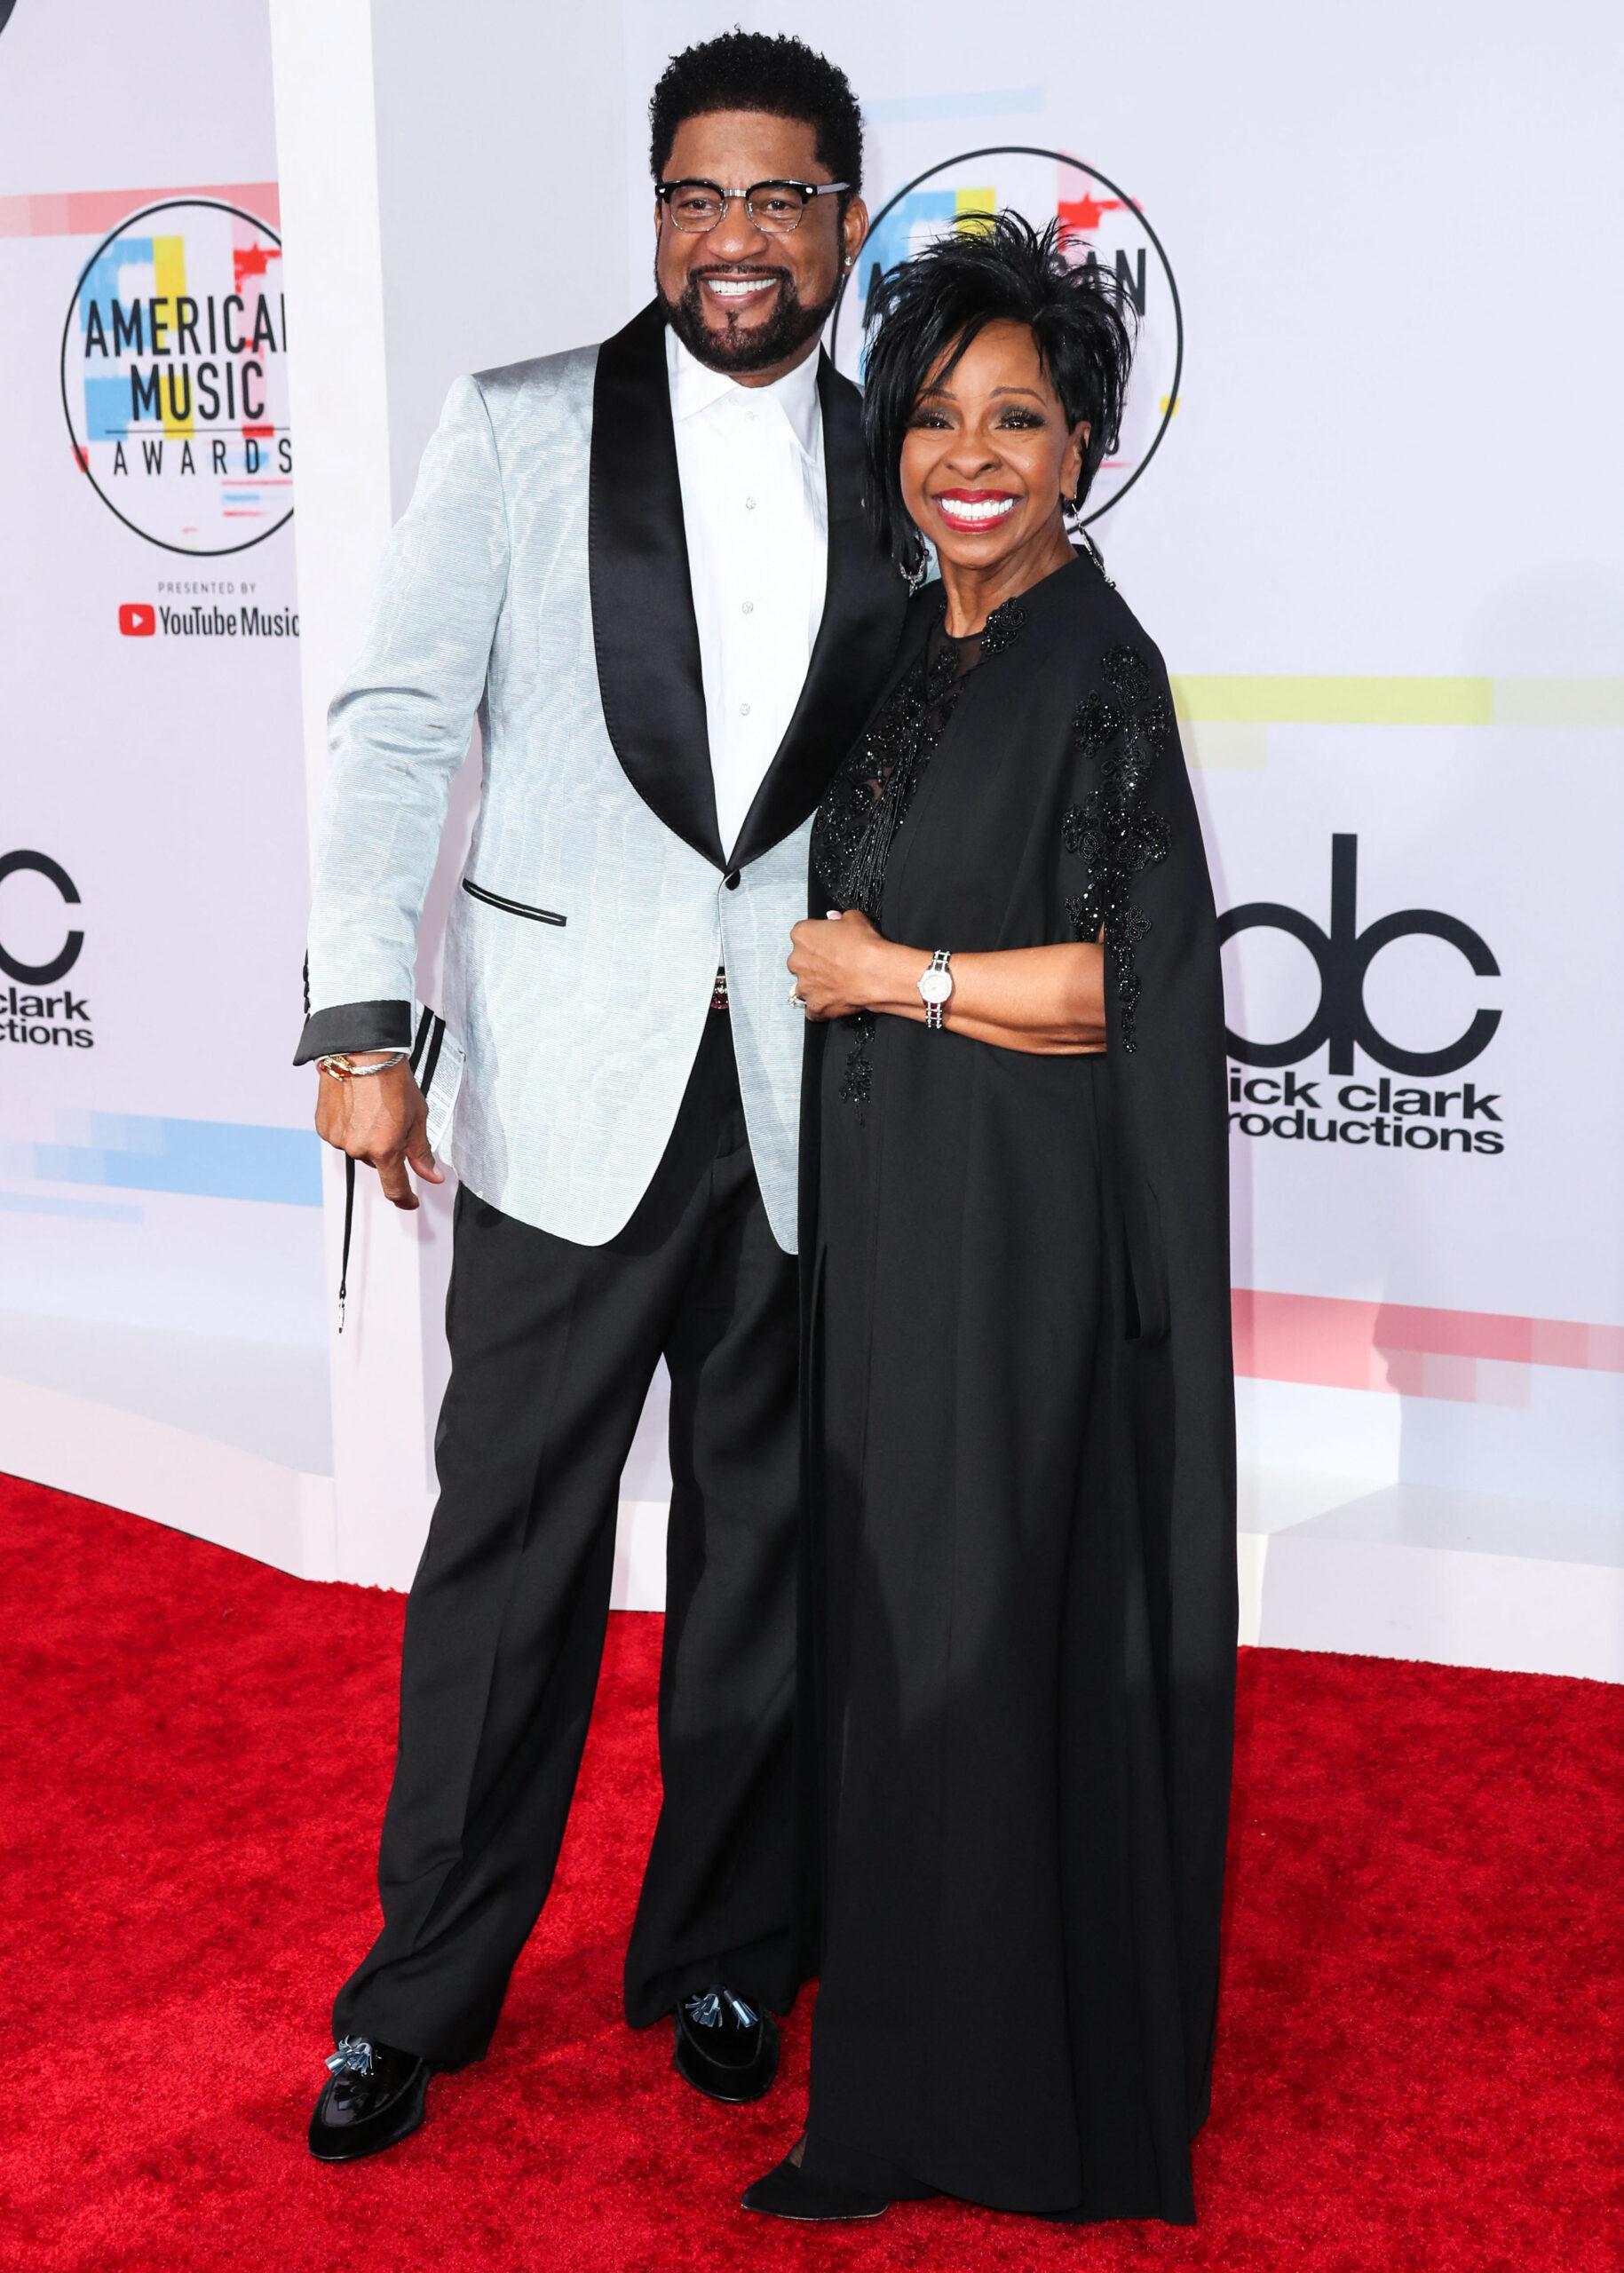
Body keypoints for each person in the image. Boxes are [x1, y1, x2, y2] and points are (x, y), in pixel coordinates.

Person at [296, 31, 903, 2162]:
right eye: (693, 193)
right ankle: (419, 1990)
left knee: (770, 1553)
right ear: (656, 204)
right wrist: (364, 1029)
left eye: (776, 196)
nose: (731, 237)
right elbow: (391, 725)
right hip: (563, 1083)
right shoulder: (518, 426)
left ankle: (732, 1944)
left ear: (845, 212)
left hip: (812, 1093)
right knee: (511, 1553)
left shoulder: (906, 457)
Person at [745, 213, 1237, 2224]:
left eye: (1018, 416)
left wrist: (903, 980)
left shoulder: (1096, 663)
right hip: (891, 1213)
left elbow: (1140, 979)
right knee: (896, 1627)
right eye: (938, 415)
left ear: (1085, 441)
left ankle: (986, 2101)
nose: (973, 453)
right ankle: (910, 2054)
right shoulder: (907, 640)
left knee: (973, 1624)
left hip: (1017, 1237)